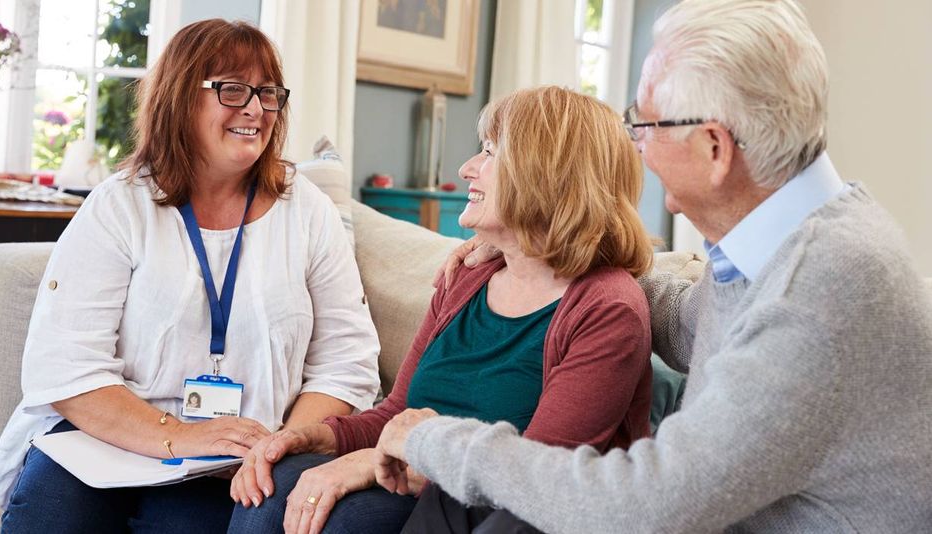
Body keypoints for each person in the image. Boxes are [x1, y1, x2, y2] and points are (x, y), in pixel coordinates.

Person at [372, 1, 932, 532]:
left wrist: (433, 440)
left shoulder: (818, 294)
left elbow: (644, 508)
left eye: (645, 123)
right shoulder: (782, 247)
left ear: (714, 148)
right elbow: (688, 323)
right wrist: (539, 249)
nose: (635, 144)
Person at [0, 19, 380, 532]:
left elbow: (346, 364)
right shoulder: (119, 205)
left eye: (268, 93)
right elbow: (66, 366)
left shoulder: (308, 212)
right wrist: (178, 435)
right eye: (233, 89)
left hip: (240, 463)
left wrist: (280, 445)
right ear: (180, 98)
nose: (256, 108)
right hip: (100, 444)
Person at [226, 86, 655, 534]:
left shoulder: (607, 308)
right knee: (274, 485)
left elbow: (536, 479)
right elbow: (398, 410)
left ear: (549, 175)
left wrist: (373, 461)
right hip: (424, 484)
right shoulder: (469, 277)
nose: (467, 168)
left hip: (497, 512)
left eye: (489, 153)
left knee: (343, 522)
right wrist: (320, 435)